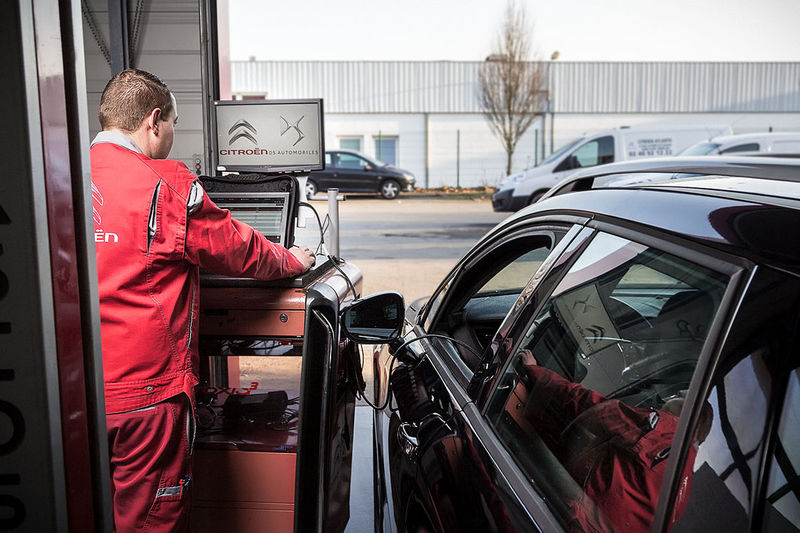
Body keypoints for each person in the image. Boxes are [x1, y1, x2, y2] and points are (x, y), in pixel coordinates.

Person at [91, 69, 315, 531]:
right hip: (147, 397)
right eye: (173, 123)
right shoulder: (167, 184)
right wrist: (291, 259)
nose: (173, 134)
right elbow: (240, 249)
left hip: (74, 391)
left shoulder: (57, 180)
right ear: (154, 121)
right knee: (149, 519)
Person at [518, 350, 713, 533]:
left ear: (690, 415)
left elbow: (587, 405)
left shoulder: (664, 429)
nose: (669, 397)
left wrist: (536, 371)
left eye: (679, 395)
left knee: (523, 448)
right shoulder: (683, 488)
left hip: (575, 521)